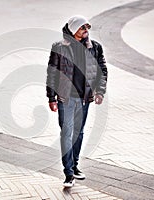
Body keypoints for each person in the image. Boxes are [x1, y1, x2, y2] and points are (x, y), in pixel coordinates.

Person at [46, 15, 108, 187]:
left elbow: (102, 71)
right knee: (67, 133)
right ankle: (69, 173)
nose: (86, 31)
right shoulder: (59, 47)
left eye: (87, 27)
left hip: (84, 99)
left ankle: (74, 165)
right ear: (74, 30)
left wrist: (100, 92)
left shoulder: (95, 47)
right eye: (82, 28)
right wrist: (51, 97)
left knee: (78, 133)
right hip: (65, 98)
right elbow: (52, 73)